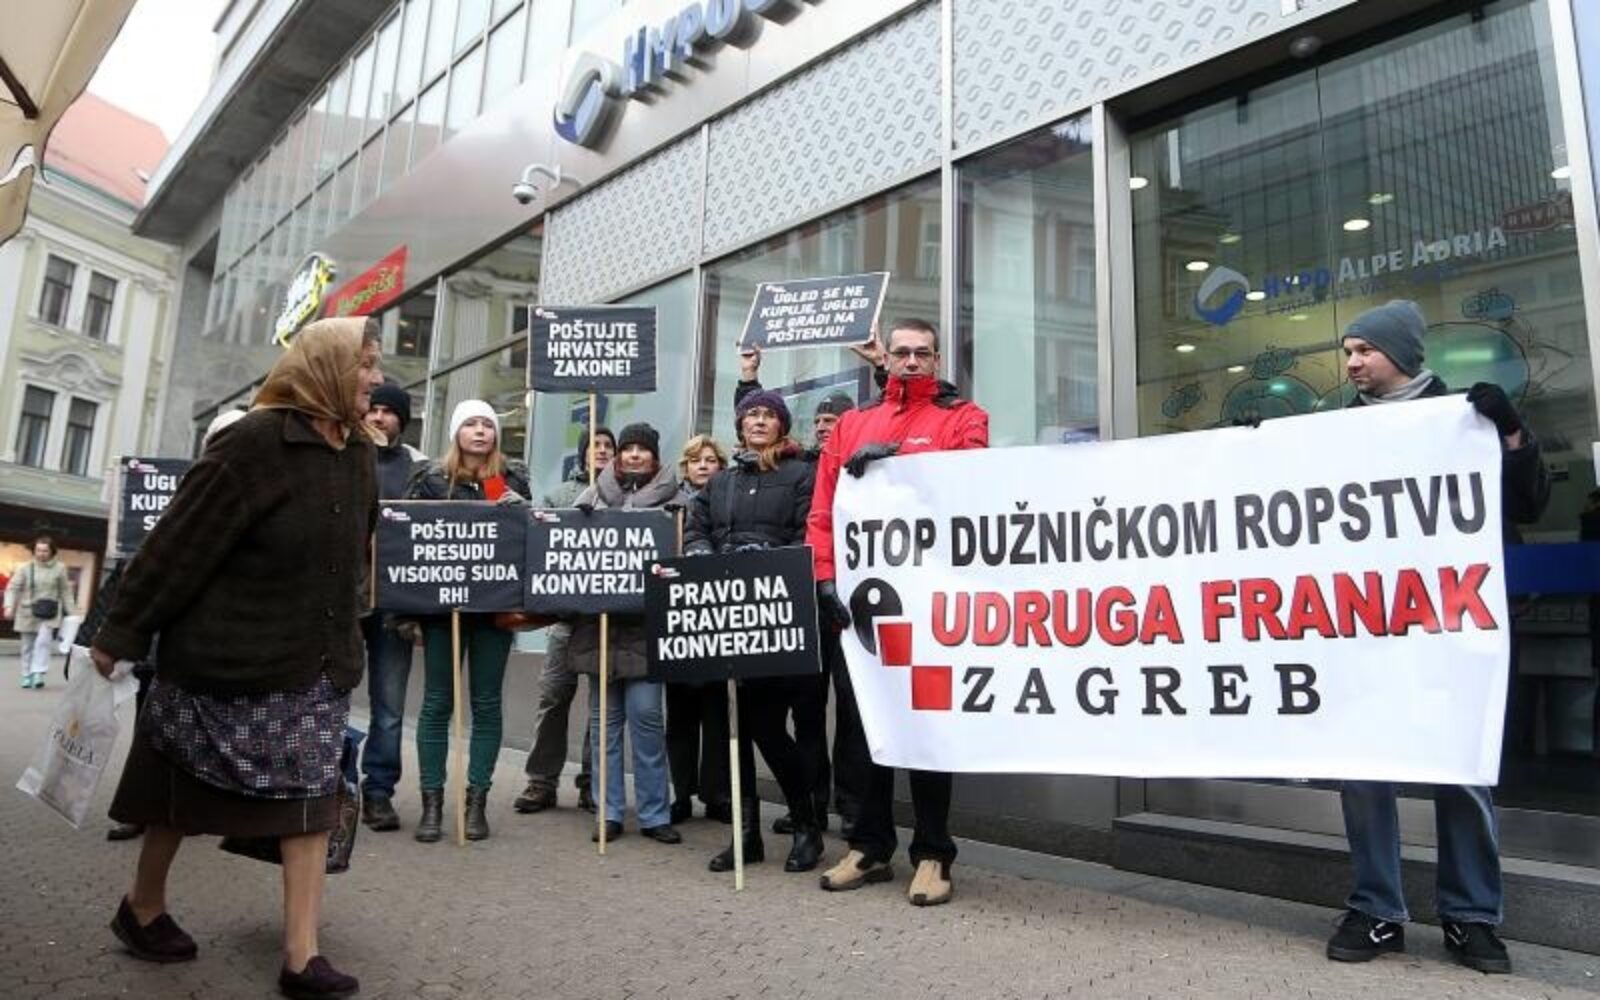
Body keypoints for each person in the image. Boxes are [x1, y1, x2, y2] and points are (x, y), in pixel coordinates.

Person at [89, 316, 383, 999]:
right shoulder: (252, 442)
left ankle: (301, 956)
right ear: (326, 369)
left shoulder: (358, 451)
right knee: (179, 794)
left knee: (314, 797)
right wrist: (119, 633)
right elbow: (177, 546)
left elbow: (356, 553)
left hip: (315, 665)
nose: (375, 377)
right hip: (225, 659)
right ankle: (142, 907)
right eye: (365, 363)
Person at [1324, 300, 1548, 974]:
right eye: (1349, 351)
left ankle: (1471, 918)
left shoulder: (1465, 417)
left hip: (1450, 623)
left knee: (1461, 769)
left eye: (1365, 350)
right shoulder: (1334, 432)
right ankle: (1376, 910)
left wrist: (1510, 433)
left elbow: (1528, 504)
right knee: (1364, 768)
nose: (1353, 363)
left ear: (1401, 353)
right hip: (1366, 623)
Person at [809, 317, 988, 907]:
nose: (912, 361)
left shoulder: (964, 418)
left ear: (937, 360)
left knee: (928, 727)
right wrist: (824, 577)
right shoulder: (851, 425)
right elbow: (823, 510)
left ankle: (934, 854)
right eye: (902, 352)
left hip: (928, 608)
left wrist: (901, 467)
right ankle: (869, 846)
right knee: (862, 730)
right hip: (860, 608)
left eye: (923, 353)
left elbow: (971, 488)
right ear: (884, 359)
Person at [733, 351, 872, 836]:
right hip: (792, 608)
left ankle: (847, 807)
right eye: (820, 422)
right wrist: (748, 379)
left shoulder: (836, 467)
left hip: (838, 606)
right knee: (789, 716)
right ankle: (807, 806)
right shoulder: (798, 467)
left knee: (840, 714)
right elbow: (754, 421)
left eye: (835, 421)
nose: (825, 428)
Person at [686, 395, 826, 872]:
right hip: (727, 617)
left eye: (768, 415)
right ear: (741, 425)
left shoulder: (801, 473)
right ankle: (745, 836)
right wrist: (703, 553)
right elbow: (697, 528)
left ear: (781, 425)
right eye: (752, 415)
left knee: (768, 728)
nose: (760, 421)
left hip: (778, 616)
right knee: (734, 731)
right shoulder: (721, 481)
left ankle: (806, 825)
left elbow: (809, 531)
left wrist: (769, 561)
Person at [406, 400, 531, 843]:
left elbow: (527, 545)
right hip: (444, 613)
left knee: (487, 703)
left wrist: (524, 512)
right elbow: (409, 546)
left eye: (487, 425)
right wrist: (408, 614)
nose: (480, 431)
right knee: (437, 703)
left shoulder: (508, 481)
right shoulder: (431, 482)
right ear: (456, 433)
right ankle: (432, 803)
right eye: (471, 424)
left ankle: (477, 799)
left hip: (493, 612)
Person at [569, 422, 680, 844]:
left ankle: (655, 814)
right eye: (628, 448)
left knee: (647, 720)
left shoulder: (676, 502)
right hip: (600, 628)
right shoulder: (590, 497)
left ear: (655, 457)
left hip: (648, 630)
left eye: (642, 449)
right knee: (604, 725)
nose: (634, 454)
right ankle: (608, 811)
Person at [513, 427, 615, 816]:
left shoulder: (624, 497)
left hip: (605, 620)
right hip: (566, 620)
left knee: (602, 706)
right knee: (553, 696)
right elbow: (540, 546)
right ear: (583, 454)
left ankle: (592, 783)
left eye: (608, 446)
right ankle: (541, 781)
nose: (602, 451)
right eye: (595, 446)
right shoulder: (559, 496)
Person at [358, 380, 427, 832]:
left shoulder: (418, 468)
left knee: (389, 705)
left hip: (392, 602)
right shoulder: (343, 455)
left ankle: (378, 792)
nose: (379, 417)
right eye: (374, 409)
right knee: (328, 699)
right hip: (345, 597)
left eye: (389, 411)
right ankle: (328, 786)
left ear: (401, 420)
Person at [666, 434, 733, 824]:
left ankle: (717, 793)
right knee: (680, 714)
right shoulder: (669, 503)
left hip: (717, 615)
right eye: (696, 460)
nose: (703, 465)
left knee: (716, 712)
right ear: (685, 467)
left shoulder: (729, 499)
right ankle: (681, 792)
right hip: (678, 616)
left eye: (710, 459)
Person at [5, 536, 77, 689]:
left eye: (45, 551)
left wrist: (72, 612)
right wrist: (8, 606)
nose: (41, 554)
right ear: (34, 551)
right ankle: (26, 675)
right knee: (27, 646)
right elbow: (12, 588)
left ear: (52, 552)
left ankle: (38, 672)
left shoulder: (60, 568)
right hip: (27, 611)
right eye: (38, 550)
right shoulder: (25, 568)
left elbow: (65, 591)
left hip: (50, 612)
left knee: (43, 642)